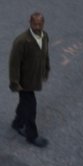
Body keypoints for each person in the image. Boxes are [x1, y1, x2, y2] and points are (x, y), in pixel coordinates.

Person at [9, 12, 51, 148]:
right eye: (35, 24)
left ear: (43, 23)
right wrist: (15, 83)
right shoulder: (21, 41)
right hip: (24, 81)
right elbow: (14, 64)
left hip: (35, 78)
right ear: (30, 23)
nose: (37, 27)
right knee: (31, 107)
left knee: (24, 103)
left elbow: (45, 54)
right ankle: (31, 135)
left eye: (40, 24)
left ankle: (17, 123)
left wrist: (46, 69)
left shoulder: (44, 37)